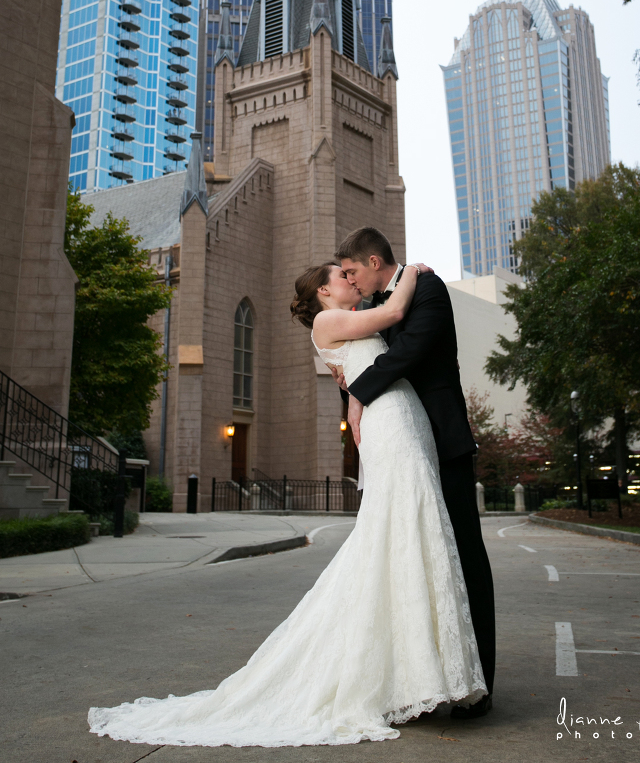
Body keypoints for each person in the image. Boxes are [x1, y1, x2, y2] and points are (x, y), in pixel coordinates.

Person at [88, 261, 485, 749]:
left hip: (403, 418)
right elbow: (397, 309)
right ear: (324, 290)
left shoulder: (351, 314)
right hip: (392, 425)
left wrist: (356, 395)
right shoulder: (327, 321)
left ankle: (416, 670)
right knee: (395, 533)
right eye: (345, 275)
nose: (352, 281)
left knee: (410, 534)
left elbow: (385, 354)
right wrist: (415, 271)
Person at [336, 226, 495, 718]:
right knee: (413, 563)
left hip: (443, 443)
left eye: (352, 271)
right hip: (400, 447)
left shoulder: (428, 287)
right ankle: (423, 679)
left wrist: (357, 392)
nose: (349, 280)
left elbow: (412, 351)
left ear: (374, 262)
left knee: (464, 557)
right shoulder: (368, 308)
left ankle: (479, 684)